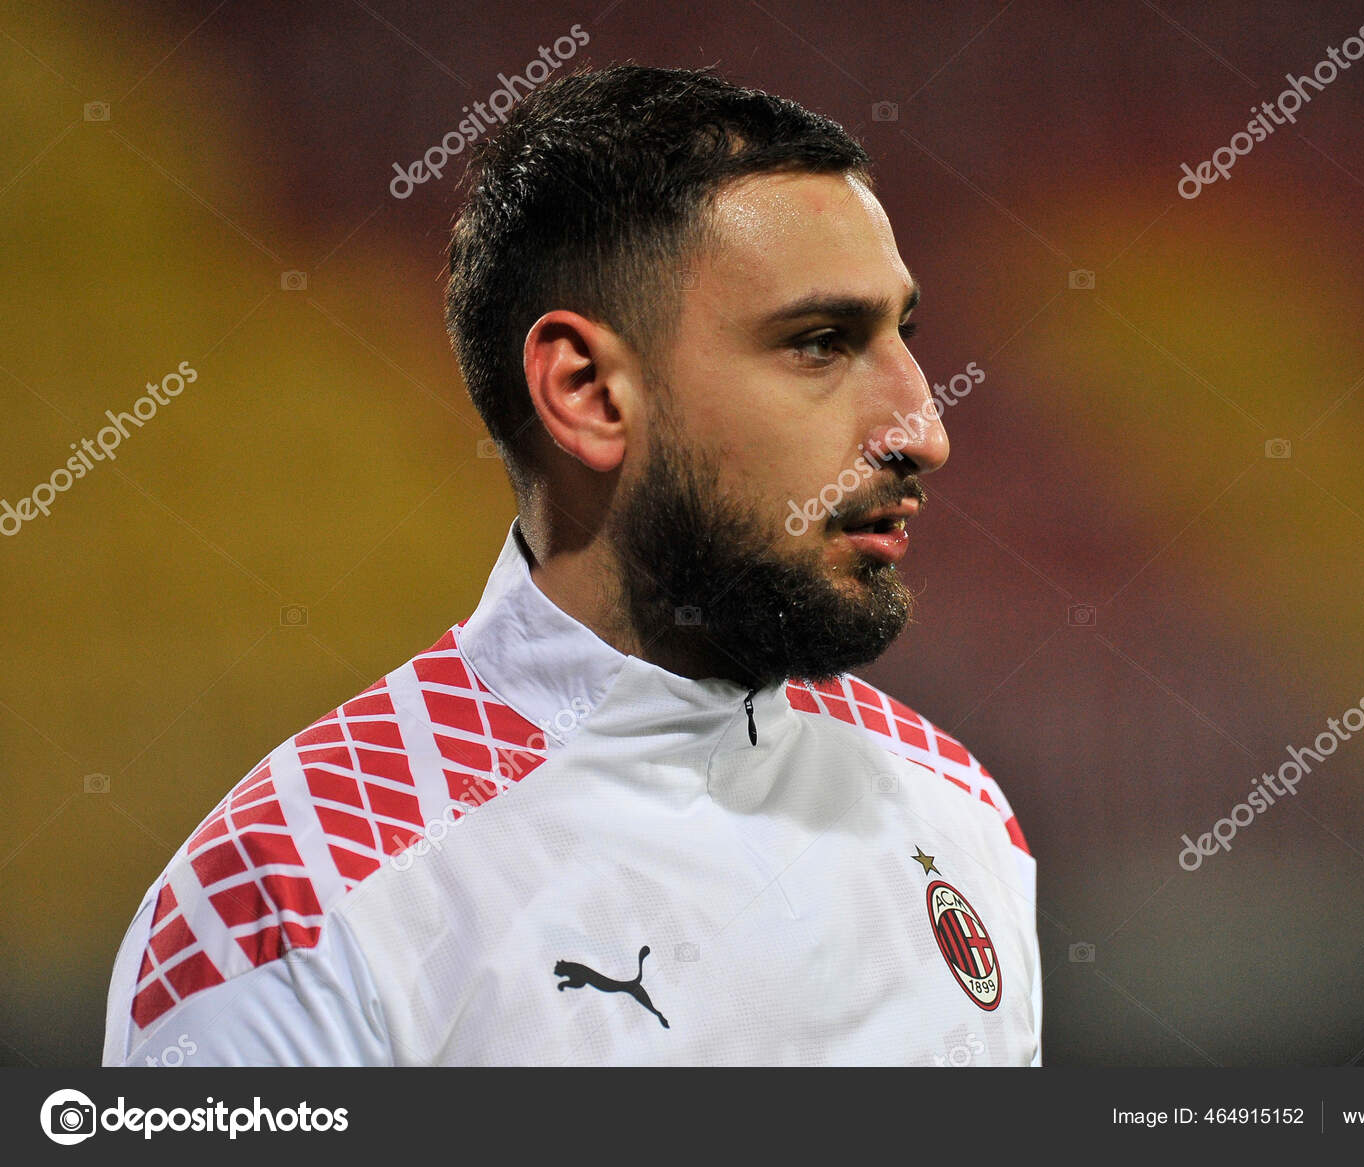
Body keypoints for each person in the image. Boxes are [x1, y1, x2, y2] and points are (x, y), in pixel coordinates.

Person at [103, 64, 1040, 1066]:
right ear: (589, 392)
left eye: (903, 335)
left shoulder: (955, 806)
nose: (923, 429)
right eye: (819, 344)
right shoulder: (292, 898)